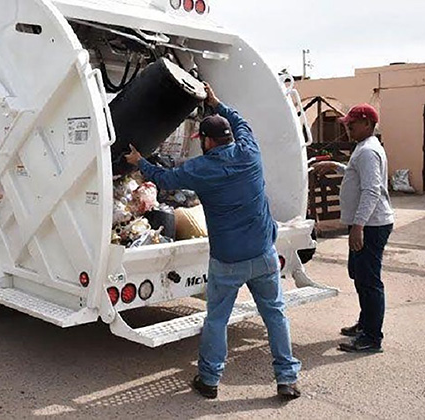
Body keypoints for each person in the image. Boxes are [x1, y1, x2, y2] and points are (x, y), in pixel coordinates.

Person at [125, 83, 301, 400]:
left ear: (205, 141)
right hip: (263, 253)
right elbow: (241, 123)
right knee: (275, 315)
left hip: (228, 260)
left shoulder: (202, 168)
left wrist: (140, 161)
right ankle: (286, 379)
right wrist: (218, 104)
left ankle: (208, 381)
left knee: (217, 319)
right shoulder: (249, 151)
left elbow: (163, 179)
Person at [312, 104, 394, 353]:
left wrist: (358, 226)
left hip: (370, 224)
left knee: (369, 280)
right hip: (365, 223)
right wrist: (337, 166)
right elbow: (359, 176)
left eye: (353, 124)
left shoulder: (368, 151)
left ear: (368, 124)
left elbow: (371, 190)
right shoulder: (364, 148)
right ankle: (365, 324)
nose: (348, 128)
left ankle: (371, 337)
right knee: (359, 275)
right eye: (347, 124)